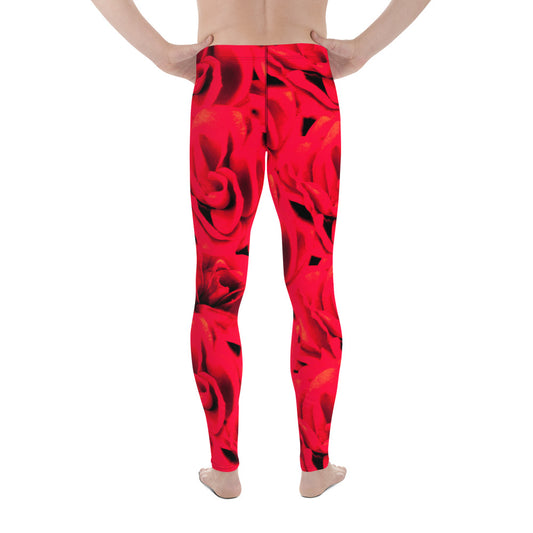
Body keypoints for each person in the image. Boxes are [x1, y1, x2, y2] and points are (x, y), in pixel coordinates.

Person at [90, 0, 432, 499]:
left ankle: (224, 468)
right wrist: (363, 49)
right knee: (313, 281)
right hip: (306, 79)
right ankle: (315, 467)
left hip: (223, 77)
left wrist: (160, 53)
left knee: (217, 286)